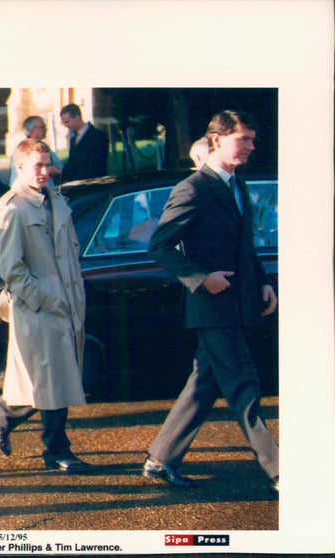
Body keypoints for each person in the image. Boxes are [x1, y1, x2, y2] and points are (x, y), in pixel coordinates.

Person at [143, 110, 279, 493]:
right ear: (217, 140)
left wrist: (264, 283)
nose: (252, 147)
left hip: (237, 302)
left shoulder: (237, 184)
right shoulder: (193, 188)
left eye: (253, 139)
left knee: (204, 385)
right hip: (212, 307)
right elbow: (161, 245)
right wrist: (201, 278)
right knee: (244, 386)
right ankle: (279, 471)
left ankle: (160, 460)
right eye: (244, 140)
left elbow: (244, 246)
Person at [0, 138, 91, 473]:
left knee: (55, 378)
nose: (45, 172)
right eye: (38, 166)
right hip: (40, 307)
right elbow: (10, 267)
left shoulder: (55, 200)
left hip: (66, 301)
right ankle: (57, 450)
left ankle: (4, 411)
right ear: (20, 167)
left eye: (48, 164)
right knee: (52, 379)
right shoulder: (12, 208)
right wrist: (42, 297)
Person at [8, 116, 63, 189]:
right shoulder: (22, 153)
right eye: (42, 127)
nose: (46, 129)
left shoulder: (46, 150)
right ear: (31, 131)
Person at [59, 103, 109, 182]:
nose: (65, 126)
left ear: (77, 117)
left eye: (67, 122)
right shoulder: (73, 139)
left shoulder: (98, 136)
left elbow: (97, 165)